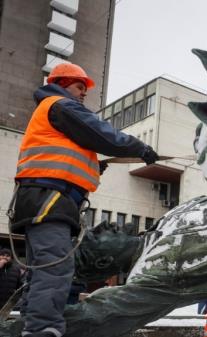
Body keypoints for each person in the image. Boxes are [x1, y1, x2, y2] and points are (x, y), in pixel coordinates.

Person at [8, 63, 159, 337]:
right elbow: (100, 133)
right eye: (80, 87)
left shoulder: (54, 112)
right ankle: (43, 330)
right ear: (63, 83)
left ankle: (32, 326)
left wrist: (93, 167)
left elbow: (66, 153)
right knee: (55, 267)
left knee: (43, 268)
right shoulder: (59, 104)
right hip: (50, 198)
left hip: (47, 198)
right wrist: (141, 148)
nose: (82, 94)